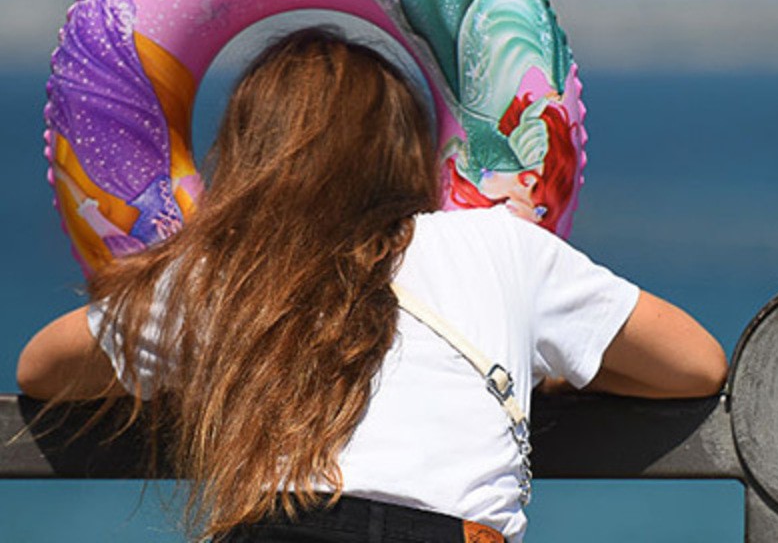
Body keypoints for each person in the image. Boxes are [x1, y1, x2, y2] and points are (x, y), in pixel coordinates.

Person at [16, 28, 728, 543]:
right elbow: (696, 363)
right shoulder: (498, 248)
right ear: (412, 150)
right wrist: (544, 371)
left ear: (245, 156)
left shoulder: (224, 278)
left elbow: (40, 369)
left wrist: (204, 363)